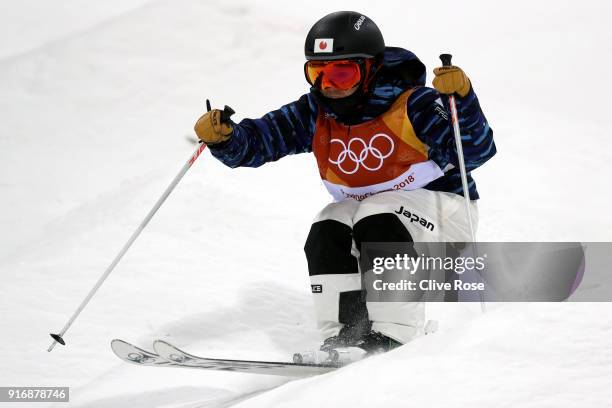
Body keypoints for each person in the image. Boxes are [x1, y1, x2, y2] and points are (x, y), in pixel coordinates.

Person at [194, 11, 496, 355]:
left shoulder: (415, 104)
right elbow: (262, 140)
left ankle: (396, 335)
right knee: (329, 222)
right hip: (378, 221)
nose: (328, 86)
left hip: (447, 220)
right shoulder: (318, 111)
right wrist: (226, 139)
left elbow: (476, 150)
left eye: (342, 73)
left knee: (378, 213)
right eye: (318, 73)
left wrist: (464, 101)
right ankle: (347, 332)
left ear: (369, 69)